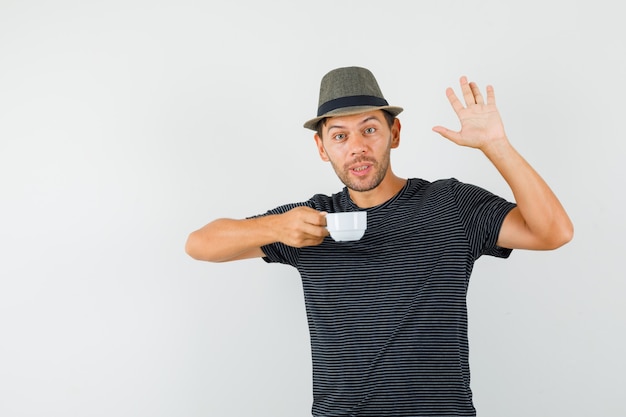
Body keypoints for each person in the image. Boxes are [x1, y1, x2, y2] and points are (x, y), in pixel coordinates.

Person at [185, 66, 573, 416]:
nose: (357, 147)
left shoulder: (450, 205)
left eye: (370, 129)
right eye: (339, 136)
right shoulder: (306, 222)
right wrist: (274, 228)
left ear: (395, 134)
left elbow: (553, 232)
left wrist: (496, 146)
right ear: (322, 148)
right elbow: (199, 244)